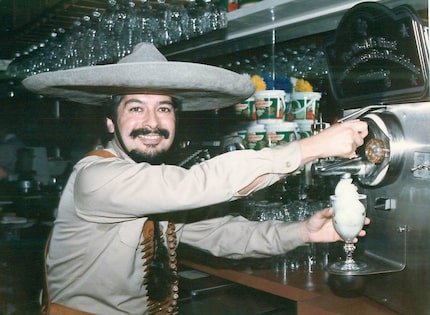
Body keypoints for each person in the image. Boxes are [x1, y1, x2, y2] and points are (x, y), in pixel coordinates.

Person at [23, 43, 369, 315]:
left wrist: (304, 231)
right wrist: (311, 147)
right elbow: (195, 184)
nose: (152, 122)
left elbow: (224, 235)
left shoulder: (154, 185)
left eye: (164, 108)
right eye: (135, 108)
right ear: (111, 122)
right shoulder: (97, 178)